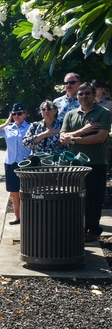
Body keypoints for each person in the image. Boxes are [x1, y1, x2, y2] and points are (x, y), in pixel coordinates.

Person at [60, 82, 110, 242]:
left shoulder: (104, 113)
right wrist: (82, 132)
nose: (83, 96)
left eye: (87, 93)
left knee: (94, 199)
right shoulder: (71, 114)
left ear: (94, 94)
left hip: (96, 163)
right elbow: (62, 138)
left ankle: (93, 230)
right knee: (75, 197)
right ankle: (78, 228)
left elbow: (99, 137)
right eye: (80, 94)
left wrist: (73, 139)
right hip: (74, 165)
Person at [0, 102, 31, 224]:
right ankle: (17, 217)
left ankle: (27, 216)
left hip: (25, 163)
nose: (17, 116)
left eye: (20, 113)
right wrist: (6, 123)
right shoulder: (8, 129)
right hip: (11, 162)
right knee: (14, 191)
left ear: (25, 114)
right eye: (14, 114)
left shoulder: (30, 127)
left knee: (26, 191)